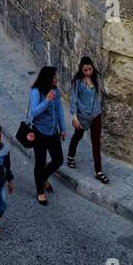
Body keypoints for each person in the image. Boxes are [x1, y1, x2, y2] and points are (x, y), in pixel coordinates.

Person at [28, 66, 66, 204]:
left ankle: (42, 178)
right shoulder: (36, 91)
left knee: (58, 159)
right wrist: (46, 100)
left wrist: (62, 128)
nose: (56, 79)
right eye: (54, 77)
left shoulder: (55, 90)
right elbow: (34, 112)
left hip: (53, 131)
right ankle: (40, 191)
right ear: (47, 78)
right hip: (39, 132)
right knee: (40, 162)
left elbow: (60, 110)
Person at [68, 55, 108, 183]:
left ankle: (99, 171)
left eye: (90, 69)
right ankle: (70, 156)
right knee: (78, 136)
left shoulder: (95, 78)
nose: (88, 72)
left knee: (96, 142)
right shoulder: (77, 82)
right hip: (82, 116)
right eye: (85, 70)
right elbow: (73, 100)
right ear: (81, 69)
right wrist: (74, 117)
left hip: (96, 114)